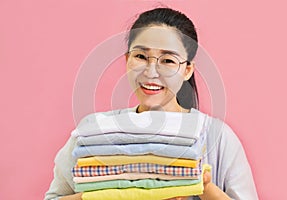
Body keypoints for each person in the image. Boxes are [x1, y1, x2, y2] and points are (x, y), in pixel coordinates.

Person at [45, 7, 258, 200]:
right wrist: (106, 195)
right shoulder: (95, 132)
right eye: (141, 56)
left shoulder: (217, 137)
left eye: (168, 60)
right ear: (127, 59)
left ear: (187, 70)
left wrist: (203, 185)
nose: (151, 72)